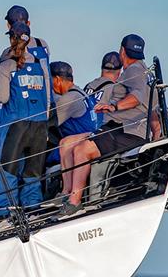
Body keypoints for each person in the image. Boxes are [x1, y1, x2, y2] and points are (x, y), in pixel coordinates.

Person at [57, 34, 156, 218]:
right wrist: (157, 136)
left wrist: (114, 106)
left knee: (82, 150)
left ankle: (74, 202)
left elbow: (137, 97)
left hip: (126, 132)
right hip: (116, 128)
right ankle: (66, 193)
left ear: (122, 51)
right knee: (66, 143)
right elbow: (154, 110)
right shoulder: (142, 72)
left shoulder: (134, 71)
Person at [0, 22, 49, 218]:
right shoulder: (41, 65)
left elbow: (3, 97)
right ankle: (33, 209)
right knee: (32, 171)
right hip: (41, 124)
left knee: (7, 172)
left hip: (16, 124)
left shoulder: (6, 65)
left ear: (11, 39)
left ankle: (5, 212)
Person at [0, 5, 51, 117]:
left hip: (18, 114)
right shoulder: (43, 45)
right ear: (28, 24)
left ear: (8, 26)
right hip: (42, 109)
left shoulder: (8, 54)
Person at [43, 61, 98, 203]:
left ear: (57, 80)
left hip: (82, 141)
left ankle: (63, 192)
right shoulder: (79, 92)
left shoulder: (68, 99)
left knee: (40, 155)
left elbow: (46, 123)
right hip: (89, 137)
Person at [84, 51, 126, 128]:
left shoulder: (89, 85)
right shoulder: (117, 88)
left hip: (80, 127)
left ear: (102, 68)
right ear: (119, 71)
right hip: (98, 131)